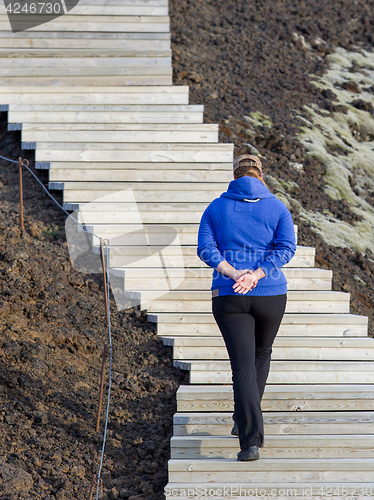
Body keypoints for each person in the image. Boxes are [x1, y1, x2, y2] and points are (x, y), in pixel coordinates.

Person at [197, 154, 296, 461]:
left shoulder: (216, 207)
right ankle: (245, 420)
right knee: (261, 355)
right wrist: (256, 274)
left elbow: (205, 249)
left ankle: (249, 437)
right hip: (270, 293)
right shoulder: (278, 207)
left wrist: (234, 273)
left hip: (229, 295)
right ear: (260, 176)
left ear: (235, 176)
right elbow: (287, 248)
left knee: (242, 366)